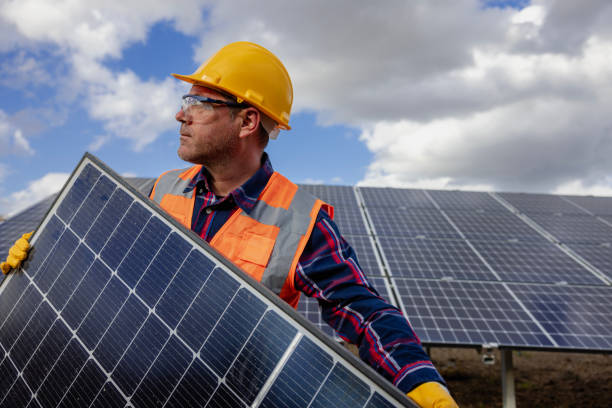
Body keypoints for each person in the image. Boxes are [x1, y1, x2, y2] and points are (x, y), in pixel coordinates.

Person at [2, 41, 458, 408]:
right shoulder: (163, 190)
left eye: (200, 103)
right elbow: (100, 256)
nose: (181, 115)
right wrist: (49, 248)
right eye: (186, 101)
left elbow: (366, 311)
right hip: (129, 380)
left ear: (247, 120)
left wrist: (420, 382)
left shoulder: (303, 221)